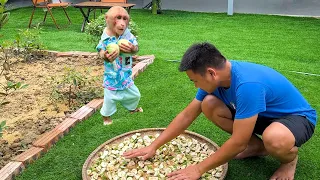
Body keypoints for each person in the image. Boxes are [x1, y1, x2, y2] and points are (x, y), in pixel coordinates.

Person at [123, 42, 317, 179]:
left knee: (274, 138)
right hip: (260, 115)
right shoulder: (218, 78)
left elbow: (238, 142)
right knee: (208, 104)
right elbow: (187, 115)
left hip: (296, 118)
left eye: (195, 80)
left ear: (211, 73)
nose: (195, 85)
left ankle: (289, 160)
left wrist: (198, 169)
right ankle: (258, 148)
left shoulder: (247, 85)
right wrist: (154, 146)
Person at [96, 6, 142, 125]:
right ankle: (106, 117)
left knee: (135, 94)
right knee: (109, 100)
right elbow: (100, 50)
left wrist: (132, 49)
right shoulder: (106, 36)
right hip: (112, 76)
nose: (122, 23)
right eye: (118, 18)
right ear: (107, 19)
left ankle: (132, 109)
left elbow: (136, 48)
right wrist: (105, 56)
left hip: (125, 75)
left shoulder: (128, 35)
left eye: (125, 19)